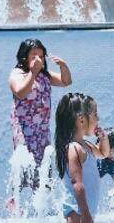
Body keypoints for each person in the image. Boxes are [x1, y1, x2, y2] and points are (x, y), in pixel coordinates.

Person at [56, 93, 109, 223]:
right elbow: (77, 184)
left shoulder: (86, 145)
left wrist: (102, 137)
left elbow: (104, 154)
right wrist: (84, 212)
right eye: (94, 114)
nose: (97, 118)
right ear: (81, 120)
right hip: (77, 209)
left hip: (87, 209)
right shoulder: (74, 148)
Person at [8, 39, 72, 170]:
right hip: (25, 131)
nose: (38, 60)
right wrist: (33, 72)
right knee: (25, 168)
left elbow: (66, 81)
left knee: (43, 170)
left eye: (41, 56)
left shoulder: (44, 75)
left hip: (42, 131)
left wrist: (63, 66)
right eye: (34, 56)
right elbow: (20, 93)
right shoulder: (17, 74)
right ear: (24, 57)